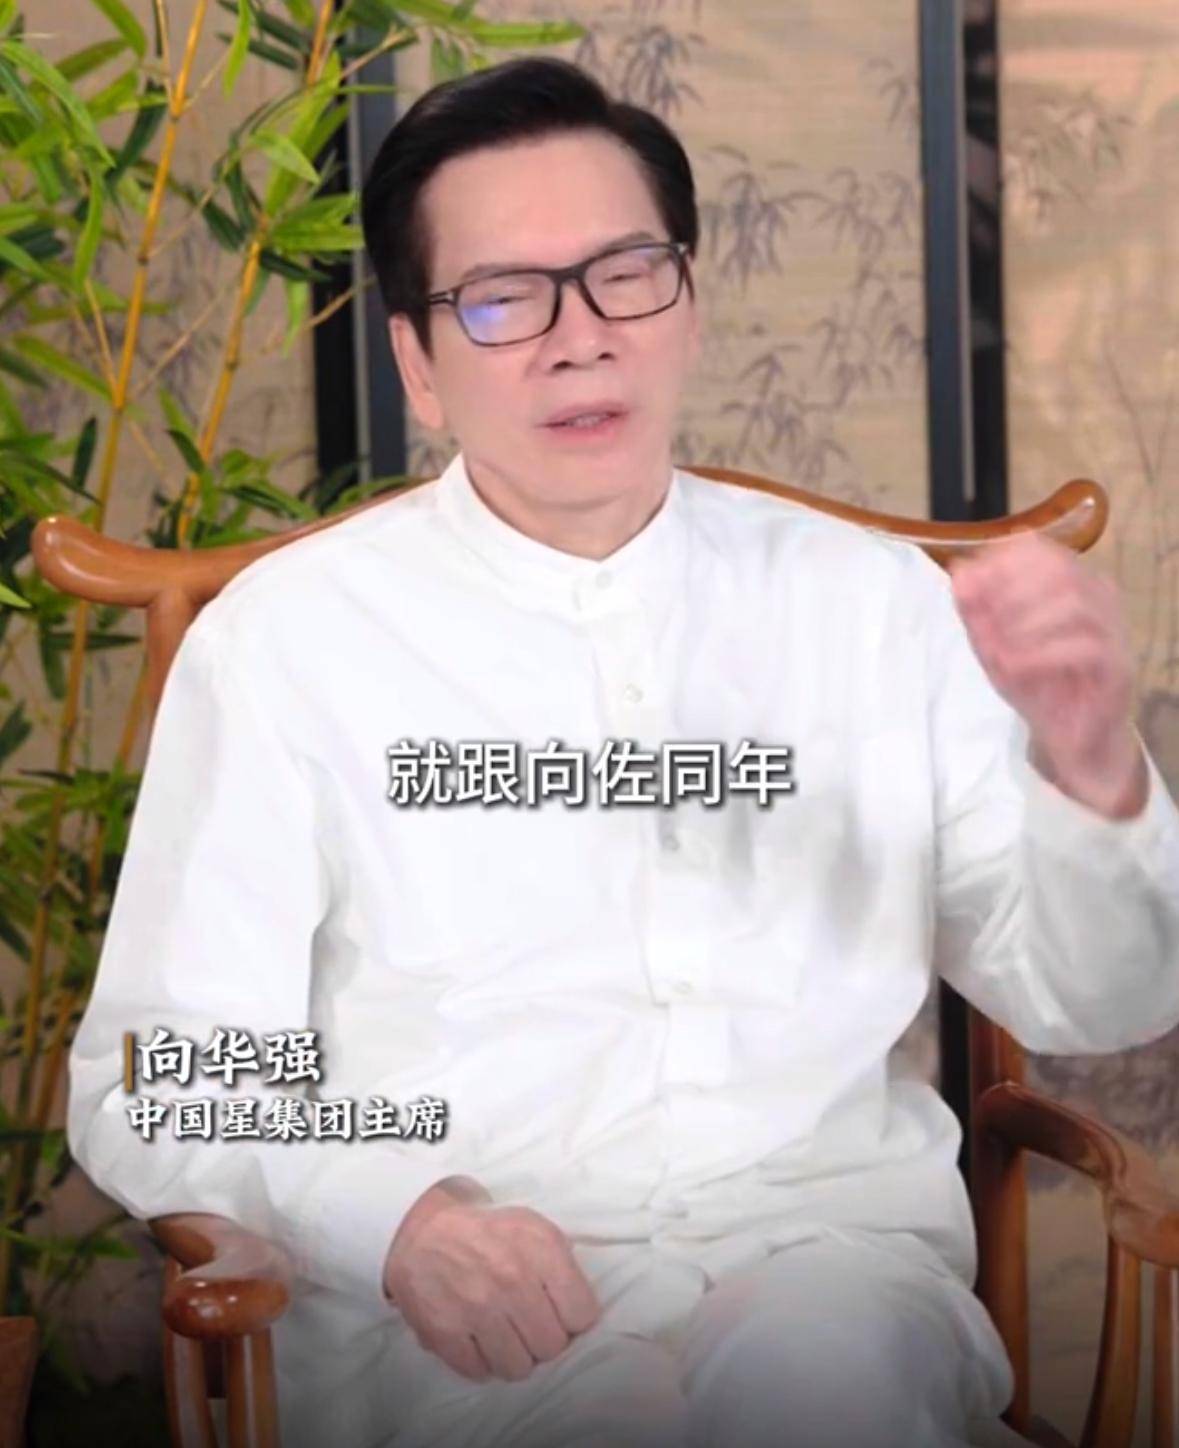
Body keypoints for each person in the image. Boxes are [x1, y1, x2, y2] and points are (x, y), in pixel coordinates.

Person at [67, 55, 1179, 1448]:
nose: (579, 338)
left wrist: (1093, 771)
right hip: (455, 1326)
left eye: (625, 275)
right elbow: (162, 1072)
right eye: (502, 298)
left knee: (826, 1392)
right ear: (417, 364)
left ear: (690, 302)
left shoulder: (873, 604)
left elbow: (1100, 999)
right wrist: (396, 1219)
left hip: (830, 1270)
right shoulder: (285, 645)